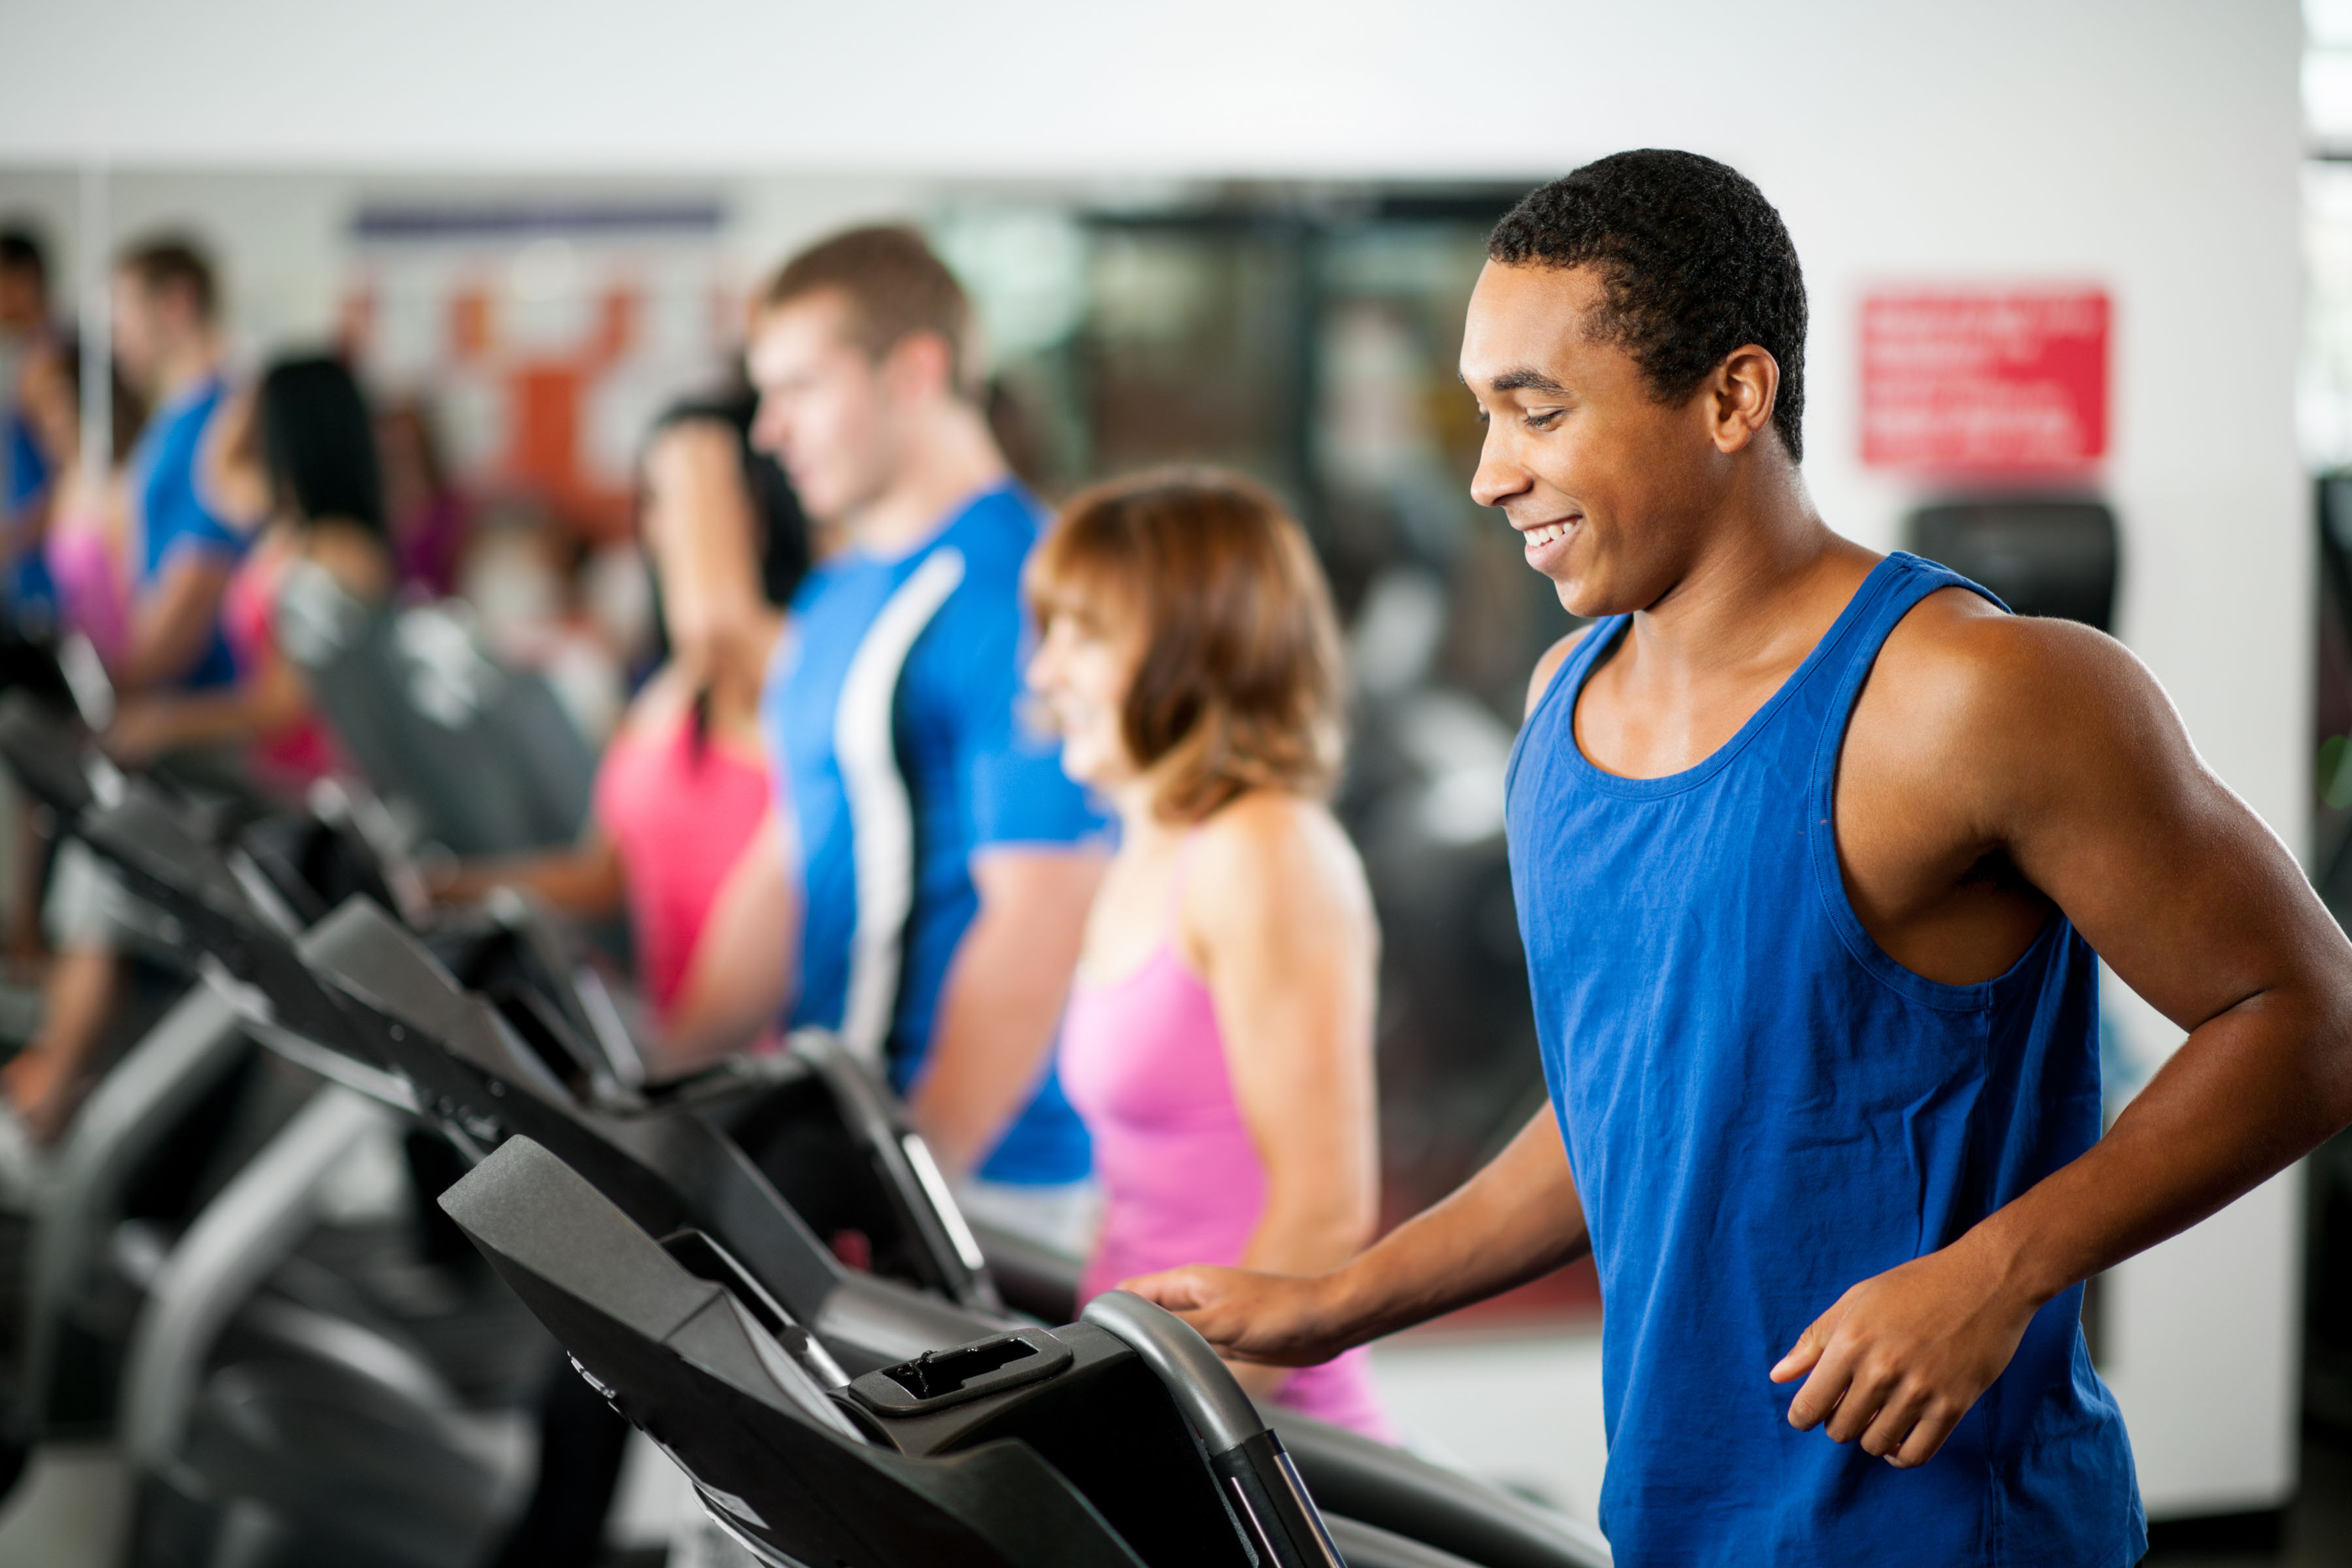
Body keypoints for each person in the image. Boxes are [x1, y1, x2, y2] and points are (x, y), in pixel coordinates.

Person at [1127, 150, 2352, 1565]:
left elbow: (2309, 1018)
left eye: (1538, 410)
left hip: (1960, 1534)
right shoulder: (1561, 708)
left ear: (1732, 396)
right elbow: (1627, 1113)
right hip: (1674, 1516)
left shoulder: (1976, 695)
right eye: (1481, 414)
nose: (1488, 473)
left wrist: (1999, 1272)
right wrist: (1333, 1301)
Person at [747, 225, 1108, 1253]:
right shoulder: (832, 595)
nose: (770, 431)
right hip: (843, 1145)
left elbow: (1040, 917)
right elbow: (785, 866)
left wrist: (916, 1196)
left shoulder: (1025, 586)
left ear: (915, 371)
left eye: (802, 388)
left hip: (984, 1184)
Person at [1025, 469, 1391, 1439]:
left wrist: (1176, 1443)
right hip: (1146, 1386)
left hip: (1259, 1435)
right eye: (1050, 633)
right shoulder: (1149, 845)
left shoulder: (1263, 848)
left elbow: (1321, 1215)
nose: (1046, 672)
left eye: (1086, 636)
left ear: (1199, 648)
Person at [433, 393, 809, 1070]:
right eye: (655, 500)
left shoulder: (794, 666)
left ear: (753, 511)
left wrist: (693, 446)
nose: (662, 526)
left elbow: (718, 628)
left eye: (686, 499)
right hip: (669, 1050)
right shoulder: (671, 689)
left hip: (754, 1061)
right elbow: (598, 876)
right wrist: (442, 889)